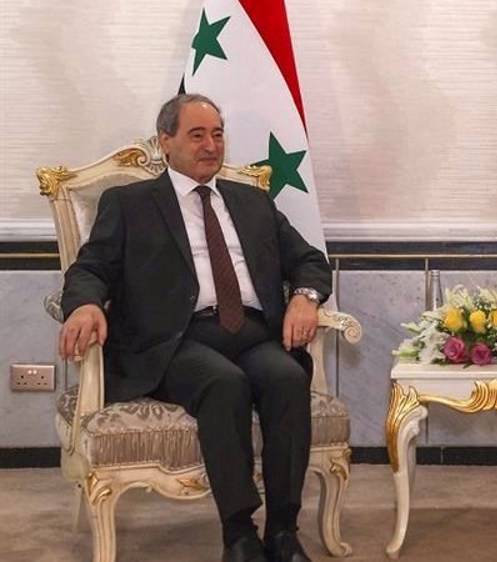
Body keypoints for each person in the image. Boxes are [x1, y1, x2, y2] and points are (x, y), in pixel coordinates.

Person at [58, 93, 331, 562]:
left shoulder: (252, 201)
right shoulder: (129, 203)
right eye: (197, 135)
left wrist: (305, 298)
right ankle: (239, 535)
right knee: (224, 383)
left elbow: (308, 260)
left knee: (287, 378)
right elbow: (90, 268)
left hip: (251, 332)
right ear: (166, 142)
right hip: (176, 340)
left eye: (218, 134)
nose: (211, 145)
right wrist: (84, 305)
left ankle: (283, 533)